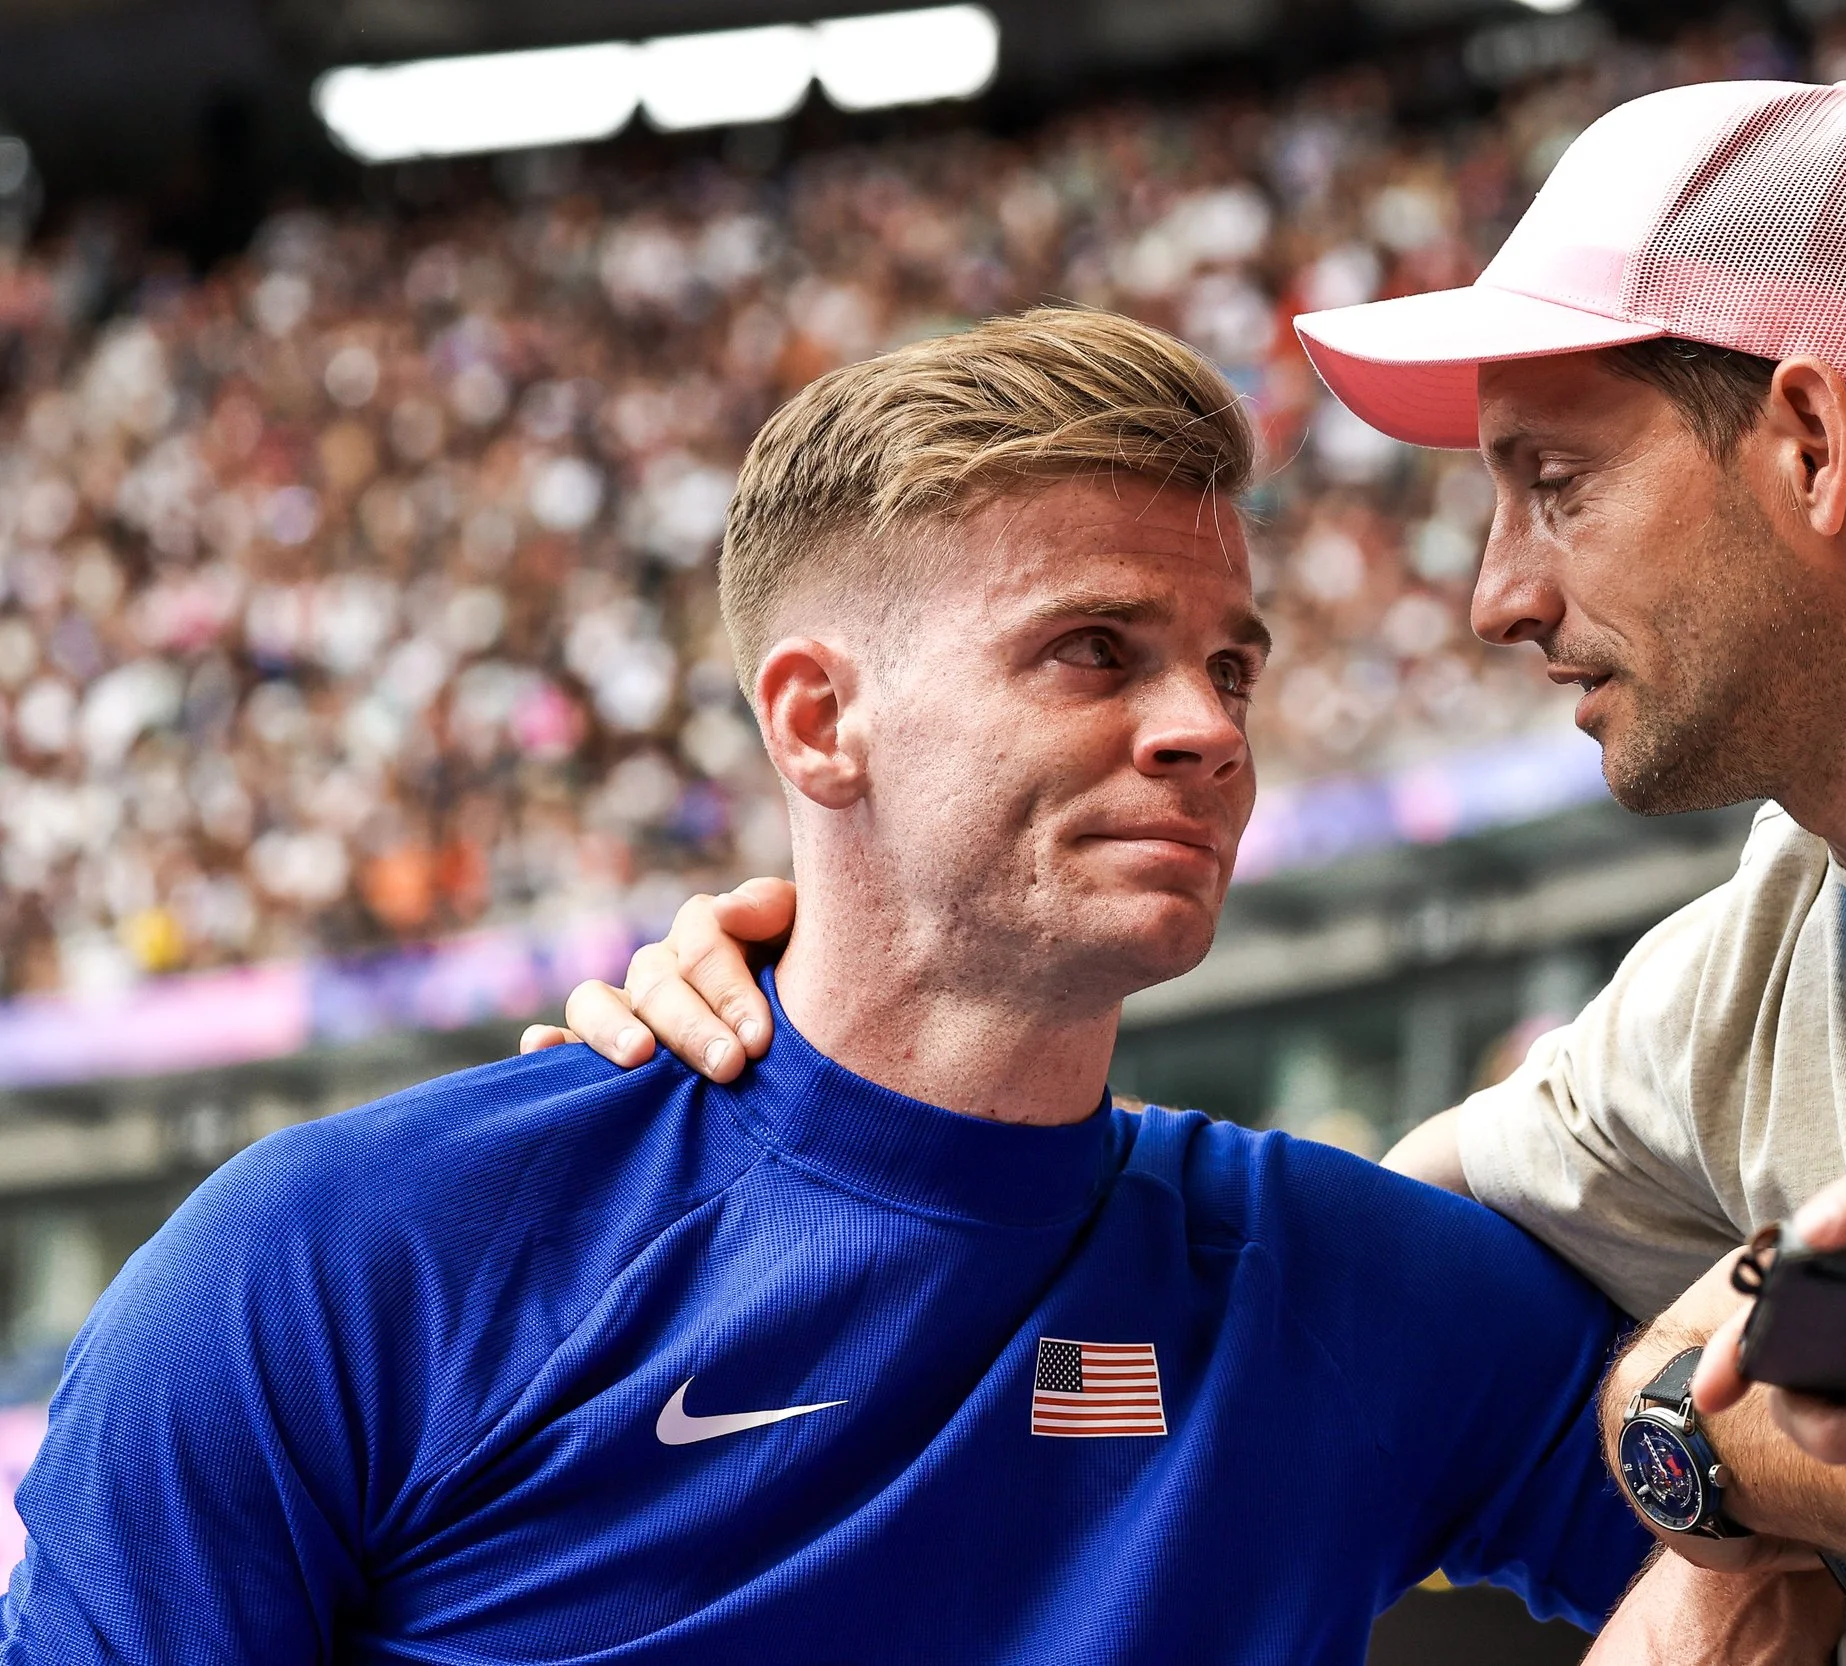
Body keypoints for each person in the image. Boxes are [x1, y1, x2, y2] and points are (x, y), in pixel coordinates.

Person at [553, 80, 1846, 1658]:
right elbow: (1356, 1275)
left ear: (1808, 439)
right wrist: (820, 1007)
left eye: (1555, 483)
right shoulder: (1749, 967)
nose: (1496, 593)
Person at [0, 310, 1656, 1665]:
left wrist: (1736, 1541)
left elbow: (1826, 1513)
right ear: (816, 722)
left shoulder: (1336, 1282)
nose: (1208, 727)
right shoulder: (337, 1261)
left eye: (1230, 664)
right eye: (1097, 648)